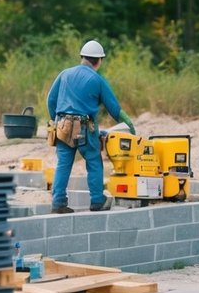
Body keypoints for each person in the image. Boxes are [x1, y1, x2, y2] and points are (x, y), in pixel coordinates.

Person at [46, 40, 136, 214]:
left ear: (82, 57)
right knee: (94, 162)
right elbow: (114, 109)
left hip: (63, 127)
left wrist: (55, 120)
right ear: (99, 60)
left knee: (63, 164)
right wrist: (130, 124)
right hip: (85, 129)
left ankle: (58, 203)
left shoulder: (64, 74)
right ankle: (97, 201)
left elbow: (51, 99)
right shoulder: (97, 80)